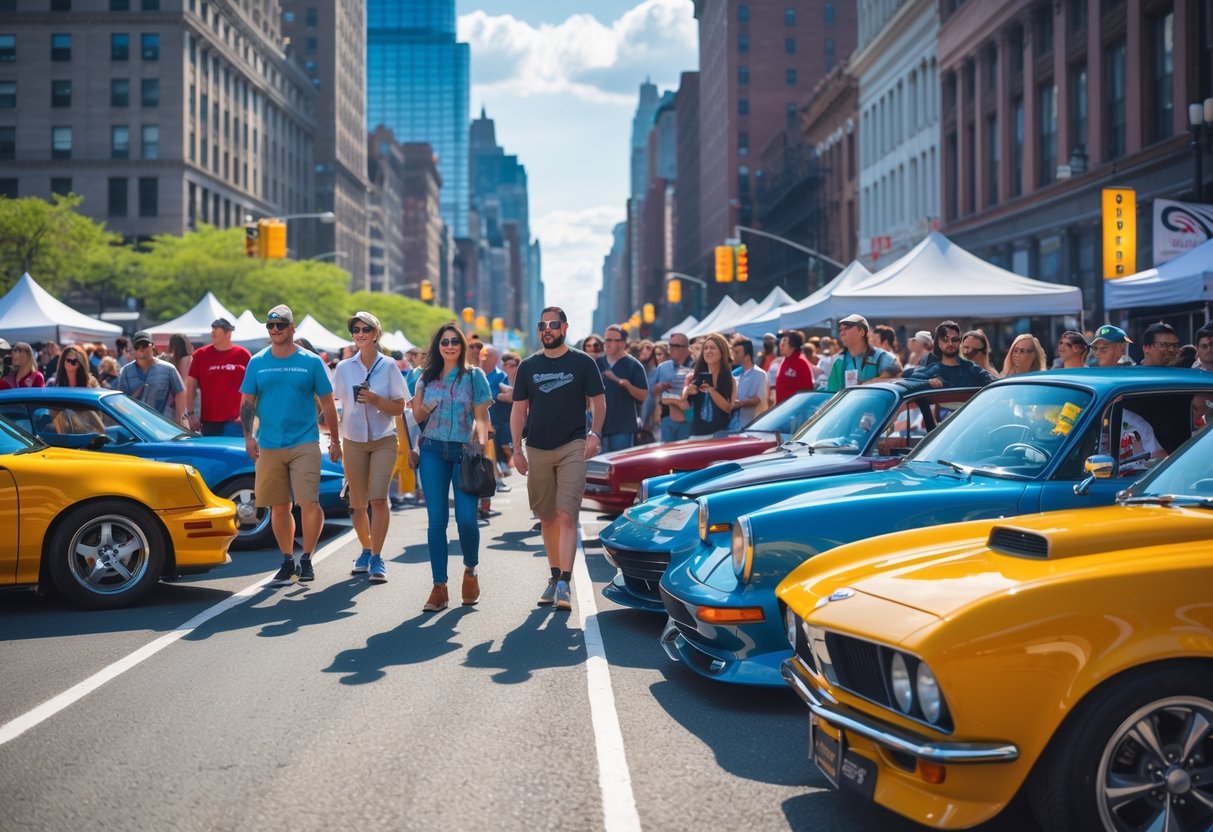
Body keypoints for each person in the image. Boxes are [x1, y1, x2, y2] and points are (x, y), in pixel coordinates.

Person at [511, 306, 606, 612]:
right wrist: (515, 449)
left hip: (572, 445)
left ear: (565, 327)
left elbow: (599, 402)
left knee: (567, 515)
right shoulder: (528, 366)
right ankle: (554, 577)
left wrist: (595, 435)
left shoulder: (582, 362)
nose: (547, 329)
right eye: (543, 324)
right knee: (547, 517)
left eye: (553, 324)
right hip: (537, 447)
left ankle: (565, 582)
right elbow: (518, 410)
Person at [239, 305, 341, 586]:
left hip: (305, 442)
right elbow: (247, 403)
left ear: (292, 329)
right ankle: (287, 560)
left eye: (280, 325)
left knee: (310, 502)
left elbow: (328, 403)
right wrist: (248, 436)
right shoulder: (257, 361)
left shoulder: (310, 361)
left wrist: (335, 439)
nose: (274, 330)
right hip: (269, 444)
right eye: (270, 326)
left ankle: (307, 558)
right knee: (279, 506)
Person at [412, 323, 492, 611]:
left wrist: (481, 446)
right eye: (444, 342)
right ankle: (439, 586)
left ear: (461, 346)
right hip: (432, 449)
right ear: (438, 346)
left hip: (465, 451)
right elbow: (417, 415)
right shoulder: (425, 377)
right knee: (437, 521)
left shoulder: (474, 376)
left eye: (454, 342)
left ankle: (470, 571)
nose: (449, 346)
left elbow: (482, 418)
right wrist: (428, 407)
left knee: (467, 520)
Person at [333, 311, 406, 584]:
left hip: (383, 439)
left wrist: (376, 399)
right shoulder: (343, 368)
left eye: (365, 329)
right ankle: (365, 549)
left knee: (378, 499)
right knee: (357, 503)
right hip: (352, 440)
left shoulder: (389, 366)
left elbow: (399, 408)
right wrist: (332, 439)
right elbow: (336, 404)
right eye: (355, 329)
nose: (359, 333)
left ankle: (377, 556)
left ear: (376, 333)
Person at [185, 318, 251, 437]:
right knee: (212, 454)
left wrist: (247, 414)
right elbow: (190, 386)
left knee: (233, 453)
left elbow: (252, 386)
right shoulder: (200, 355)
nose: (212, 332)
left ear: (228, 332)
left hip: (236, 420)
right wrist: (191, 414)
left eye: (216, 328)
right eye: (212, 328)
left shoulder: (243, 355)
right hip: (209, 420)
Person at [900, 320, 998, 392]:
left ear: (959, 342)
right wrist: (928, 383)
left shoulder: (970, 368)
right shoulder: (931, 370)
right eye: (945, 340)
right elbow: (905, 385)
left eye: (954, 339)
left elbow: (996, 384)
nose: (950, 343)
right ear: (938, 342)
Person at [597, 324, 649, 451]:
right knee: (599, 469)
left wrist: (626, 384)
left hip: (623, 428)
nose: (607, 344)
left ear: (622, 343)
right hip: (599, 428)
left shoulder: (633, 365)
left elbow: (644, 396)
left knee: (619, 468)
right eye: (606, 340)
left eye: (611, 340)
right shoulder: (598, 363)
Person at [115, 331, 186, 421]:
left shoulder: (168, 369)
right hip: (136, 423)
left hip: (164, 423)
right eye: (137, 346)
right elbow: (121, 399)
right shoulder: (125, 371)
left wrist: (178, 419)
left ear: (152, 346)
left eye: (144, 344)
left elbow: (180, 392)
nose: (141, 348)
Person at [826, 315, 900, 392]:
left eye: (846, 328)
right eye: (840, 330)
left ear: (861, 332)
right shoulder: (838, 361)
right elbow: (831, 393)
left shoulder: (883, 357)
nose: (841, 333)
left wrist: (863, 385)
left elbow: (897, 381)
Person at [681, 332, 735, 438]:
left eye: (712, 348)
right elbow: (684, 406)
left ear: (722, 351)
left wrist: (711, 390)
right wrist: (686, 392)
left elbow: (730, 409)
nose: (708, 351)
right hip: (696, 435)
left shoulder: (729, 379)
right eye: (705, 348)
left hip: (720, 435)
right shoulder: (694, 376)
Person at [649, 332, 694, 442]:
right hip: (666, 418)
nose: (673, 349)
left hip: (688, 418)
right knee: (667, 454)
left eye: (677, 346)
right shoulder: (662, 367)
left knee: (684, 453)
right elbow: (654, 392)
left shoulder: (695, 366)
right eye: (671, 345)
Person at [731, 337, 768, 425]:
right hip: (738, 425)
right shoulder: (736, 374)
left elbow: (758, 399)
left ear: (747, 357)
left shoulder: (760, 374)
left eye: (737, 352)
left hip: (754, 426)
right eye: (733, 352)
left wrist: (736, 404)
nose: (733, 355)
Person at [776, 329, 819, 401]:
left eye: (784, 341)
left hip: (794, 410)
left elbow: (806, 392)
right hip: (782, 409)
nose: (781, 345)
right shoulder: (784, 360)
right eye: (781, 341)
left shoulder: (801, 363)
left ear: (793, 345)